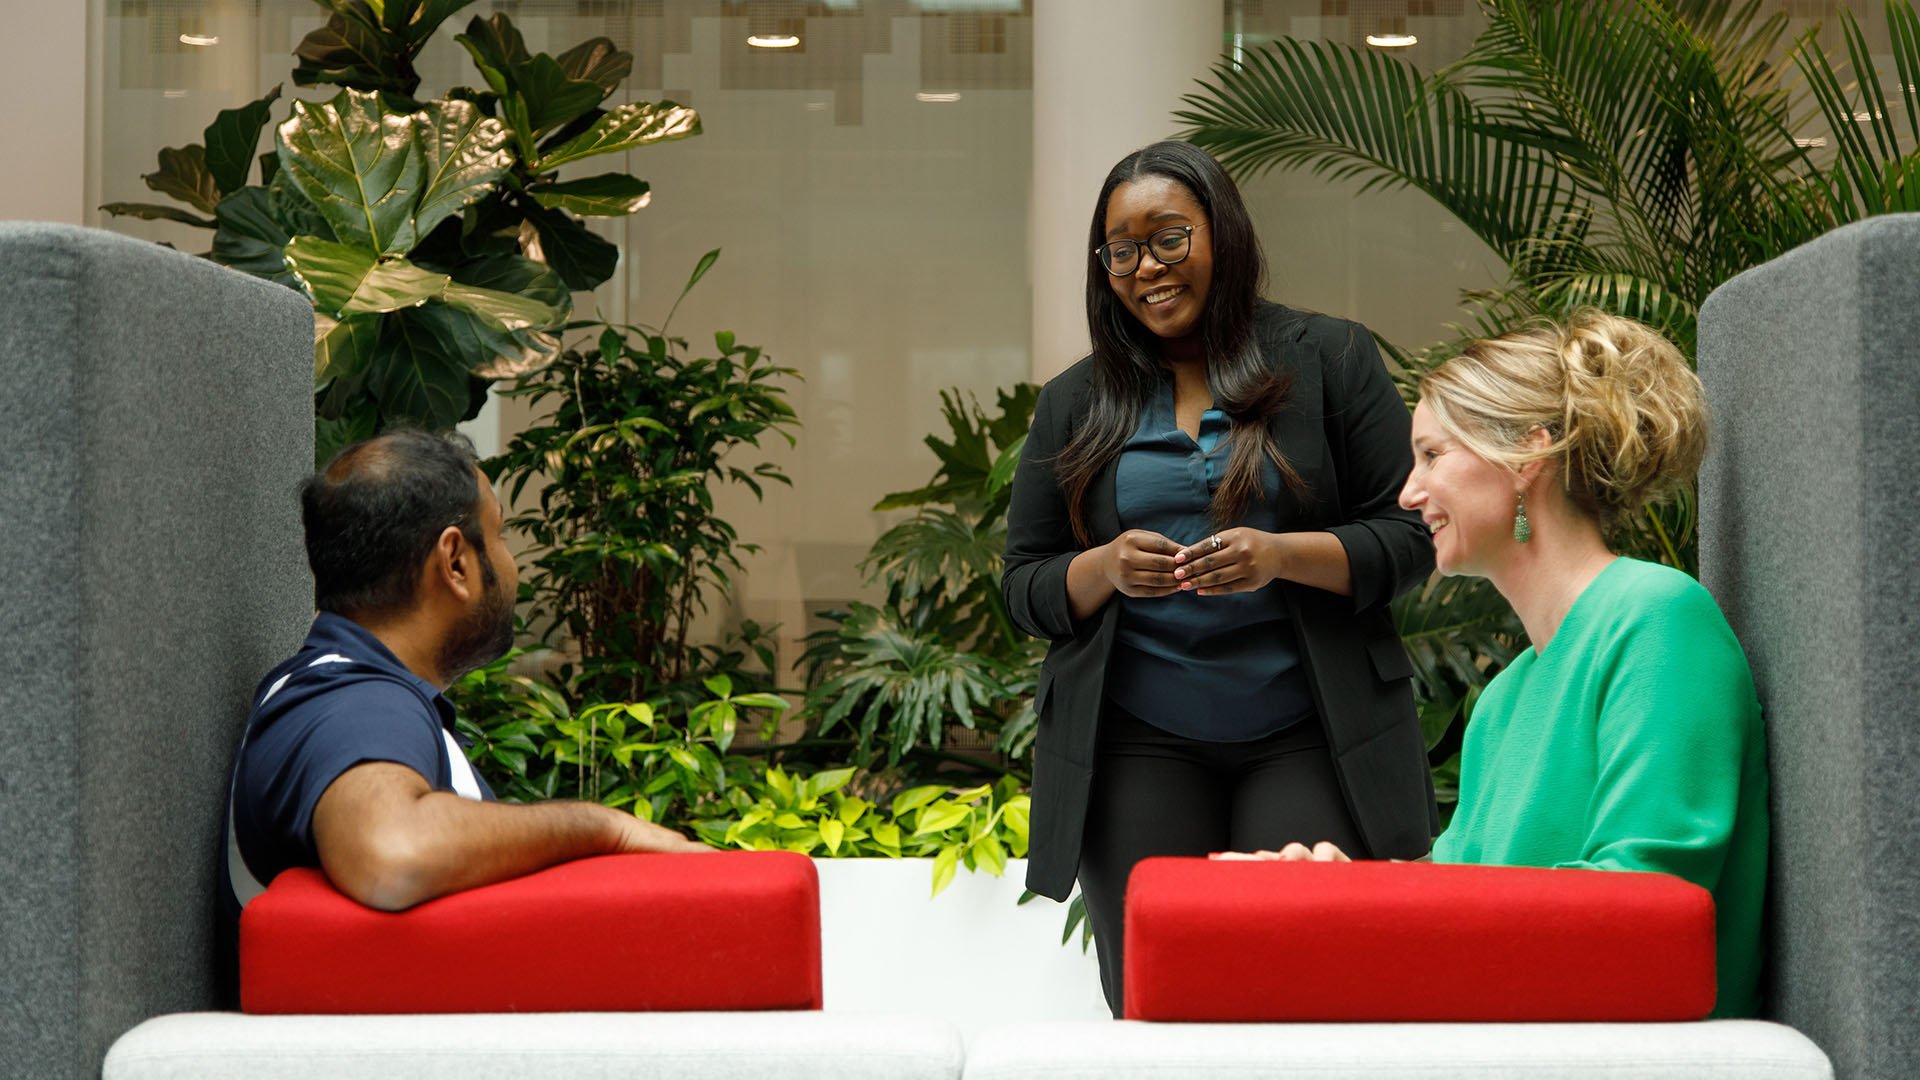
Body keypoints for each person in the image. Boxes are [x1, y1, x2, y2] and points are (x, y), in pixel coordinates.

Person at [1000, 140, 1437, 1016]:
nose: (1146, 268)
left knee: (1296, 989)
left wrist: (1281, 556)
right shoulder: (1075, 401)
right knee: (1157, 995)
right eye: (1121, 251)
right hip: (1136, 742)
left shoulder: (1331, 358)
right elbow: (1024, 584)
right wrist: (1103, 568)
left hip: (1310, 732)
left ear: (1222, 232)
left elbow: (1410, 536)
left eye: (1169, 238)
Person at [1256, 311, 1768, 1018]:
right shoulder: (1501, 703)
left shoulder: (1657, 620)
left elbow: (1644, 907)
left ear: (1529, 454)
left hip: (1636, 1050)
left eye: (1432, 455)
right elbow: (1460, 892)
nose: (1408, 494)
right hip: (1519, 1036)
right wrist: (1345, 889)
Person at [218, 430, 704, 986]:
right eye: (501, 534)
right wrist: (600, 827)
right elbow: (392, 847)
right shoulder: (352, 699)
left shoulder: (351, 690)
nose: (513, 566)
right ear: (455, 562)